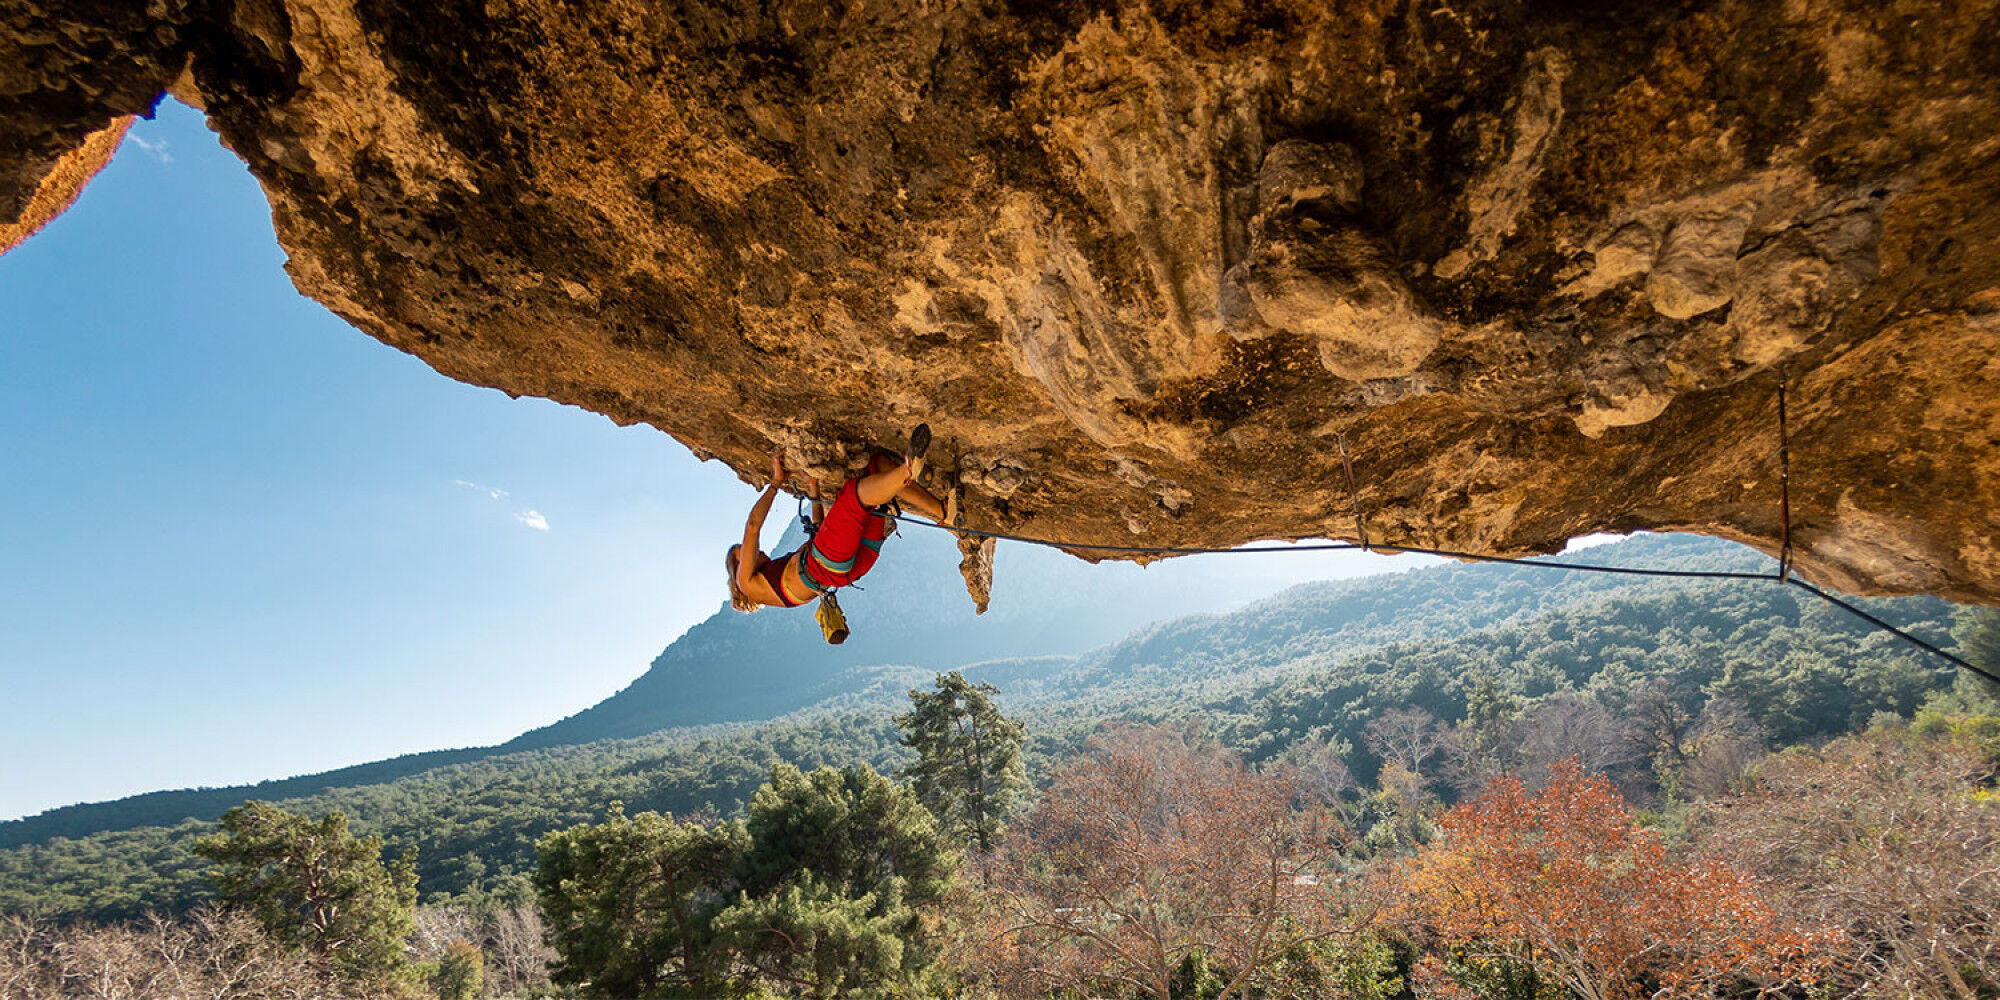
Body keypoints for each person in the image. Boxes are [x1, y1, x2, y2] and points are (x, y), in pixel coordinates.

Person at [727, 425, 946, 612]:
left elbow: (822, 533)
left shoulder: (777, 577)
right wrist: (775, 483)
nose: (753, 550)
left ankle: (942, 512)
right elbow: (753, 527)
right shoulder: (747, 584)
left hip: (848, 566)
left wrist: (814, 490)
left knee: (875, 467)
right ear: (738, 568)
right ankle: (909, 469)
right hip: (831, 563)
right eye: (745, 552)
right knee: (852, 496)